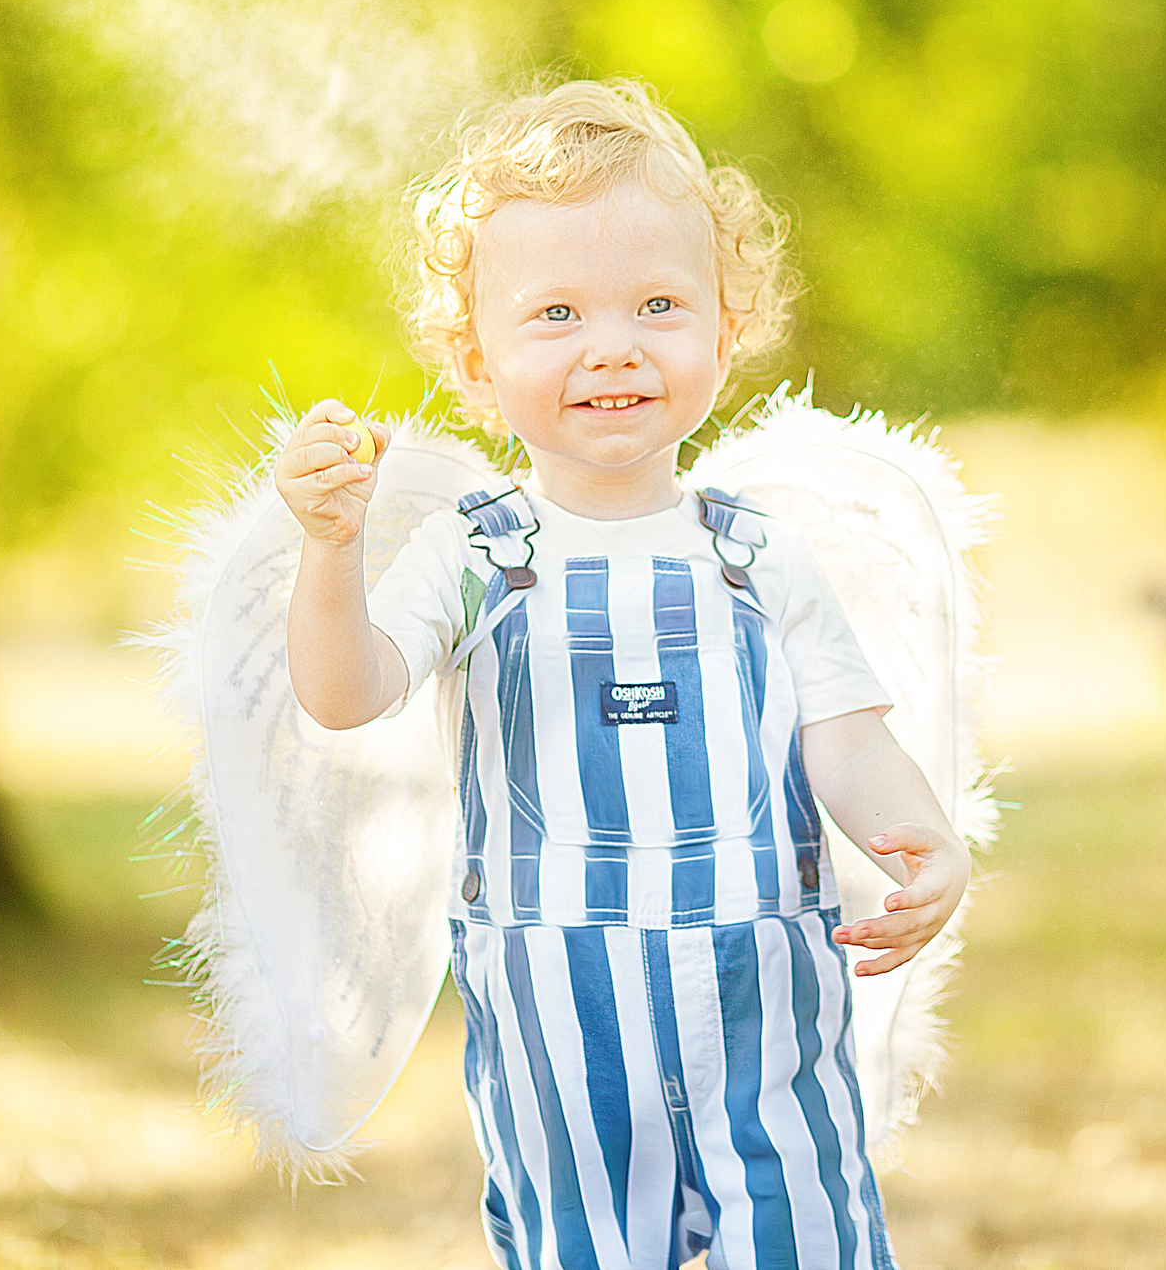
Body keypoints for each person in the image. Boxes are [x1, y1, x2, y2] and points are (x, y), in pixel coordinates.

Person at [272, 78, 968, 1270]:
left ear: (722, 332)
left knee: (806, 1232)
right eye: (554, 314)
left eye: (657, 303)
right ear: (474, 362)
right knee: (587, 1240)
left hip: (764, 984)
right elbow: (344, 693)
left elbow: (844, 738)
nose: (613, 345)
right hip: (557, 999)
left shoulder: (756, 553)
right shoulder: (477, 552)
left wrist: (922, 837)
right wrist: (329, 551)